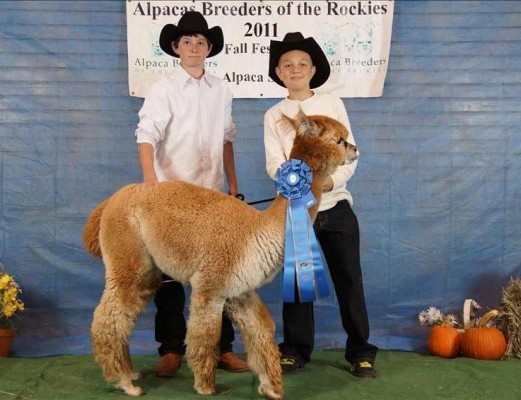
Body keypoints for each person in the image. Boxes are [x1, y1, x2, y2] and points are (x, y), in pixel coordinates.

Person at [134, 11, 248, 377]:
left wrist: (232, 185)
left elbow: (226, 139)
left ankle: (222, 348)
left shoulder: (221, 89)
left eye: (201, 42)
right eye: (187, 42)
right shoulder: (163, 88)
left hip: (213, 196)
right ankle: (171, 349)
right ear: (175, 47)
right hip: (172, 195)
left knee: (220, 275)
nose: (194, 48)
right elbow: (146, 133)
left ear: (209, 48)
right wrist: (151, 180)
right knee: (168, 275)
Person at [263, 32, 378, 378]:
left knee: (349, 281)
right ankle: (295, 350)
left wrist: (329, 182)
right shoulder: (274, 115)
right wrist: (294, 179)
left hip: (336, 206)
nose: (295, 69)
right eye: (287, 64)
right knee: (298, 283)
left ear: (313, 69)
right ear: (279, 72)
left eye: (301, 63)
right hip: (298, 207)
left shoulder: (332, 104)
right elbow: (273, 162)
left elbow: (350, 153)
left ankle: (360, 351)